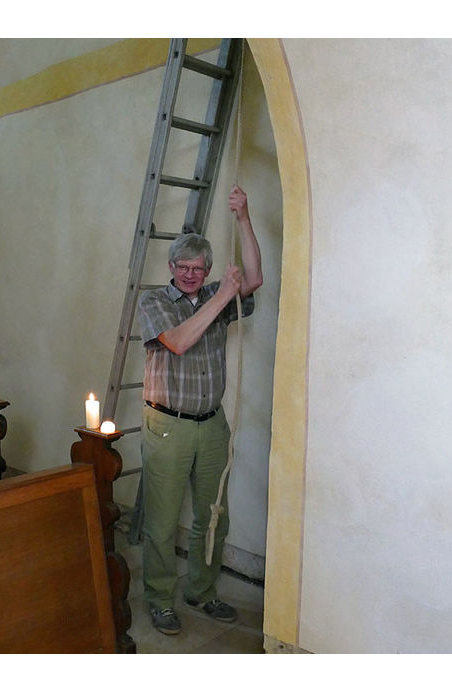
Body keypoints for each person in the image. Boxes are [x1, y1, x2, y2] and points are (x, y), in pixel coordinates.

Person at [137, 185, 263, 635]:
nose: (191, 274)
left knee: (213, 516)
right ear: (170, 268)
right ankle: (159, 599)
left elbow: (253, 278)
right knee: (163, 522)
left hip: (212, 425)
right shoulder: (153, 301)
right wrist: (221, 295)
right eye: (183, 267)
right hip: (167, 426)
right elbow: (180, 341)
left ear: (207, 269)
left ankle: (203, 592)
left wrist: (244, 218)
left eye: (199, 268)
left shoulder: (217, 293)